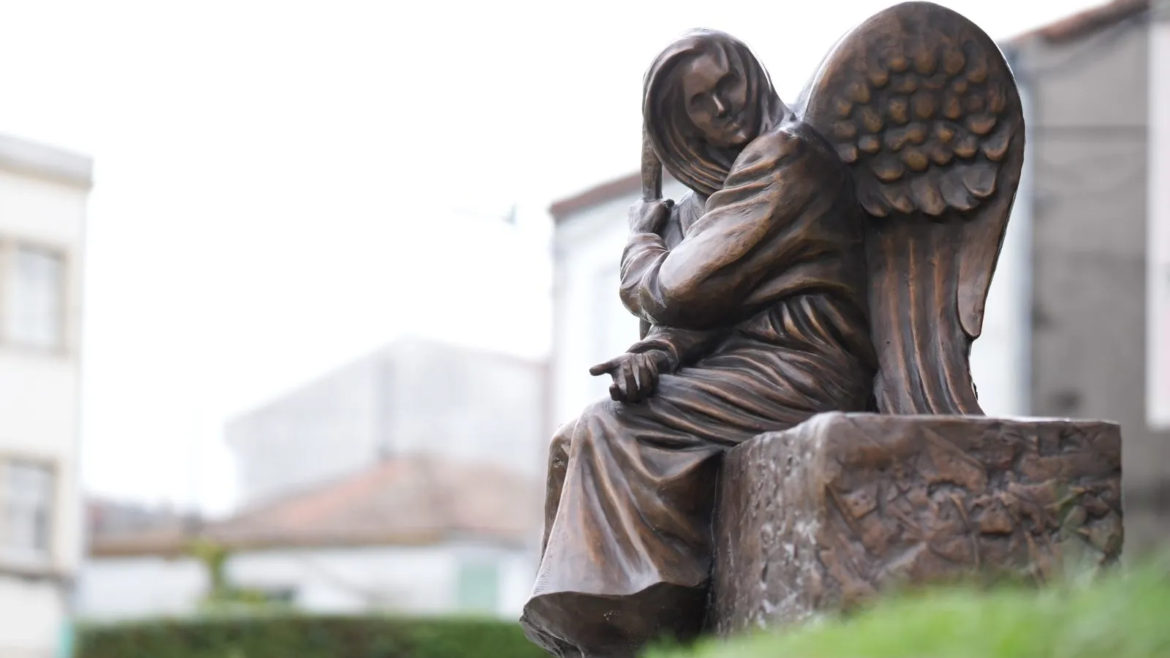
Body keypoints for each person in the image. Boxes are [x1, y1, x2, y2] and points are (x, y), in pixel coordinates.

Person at [520, 29, 877, 658]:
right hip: (747, 367)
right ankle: (584, 638)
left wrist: (640, 242)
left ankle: (643, 626)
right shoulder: (723, 194)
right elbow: (702, 318)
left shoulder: (787, 158)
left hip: (804, 367)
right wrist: (654, 356)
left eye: (727, 84)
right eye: (699, 103)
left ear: (751, 73)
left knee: (610, 429)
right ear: (681, 128)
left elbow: (673, 295)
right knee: (568, 443)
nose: (722, 107)